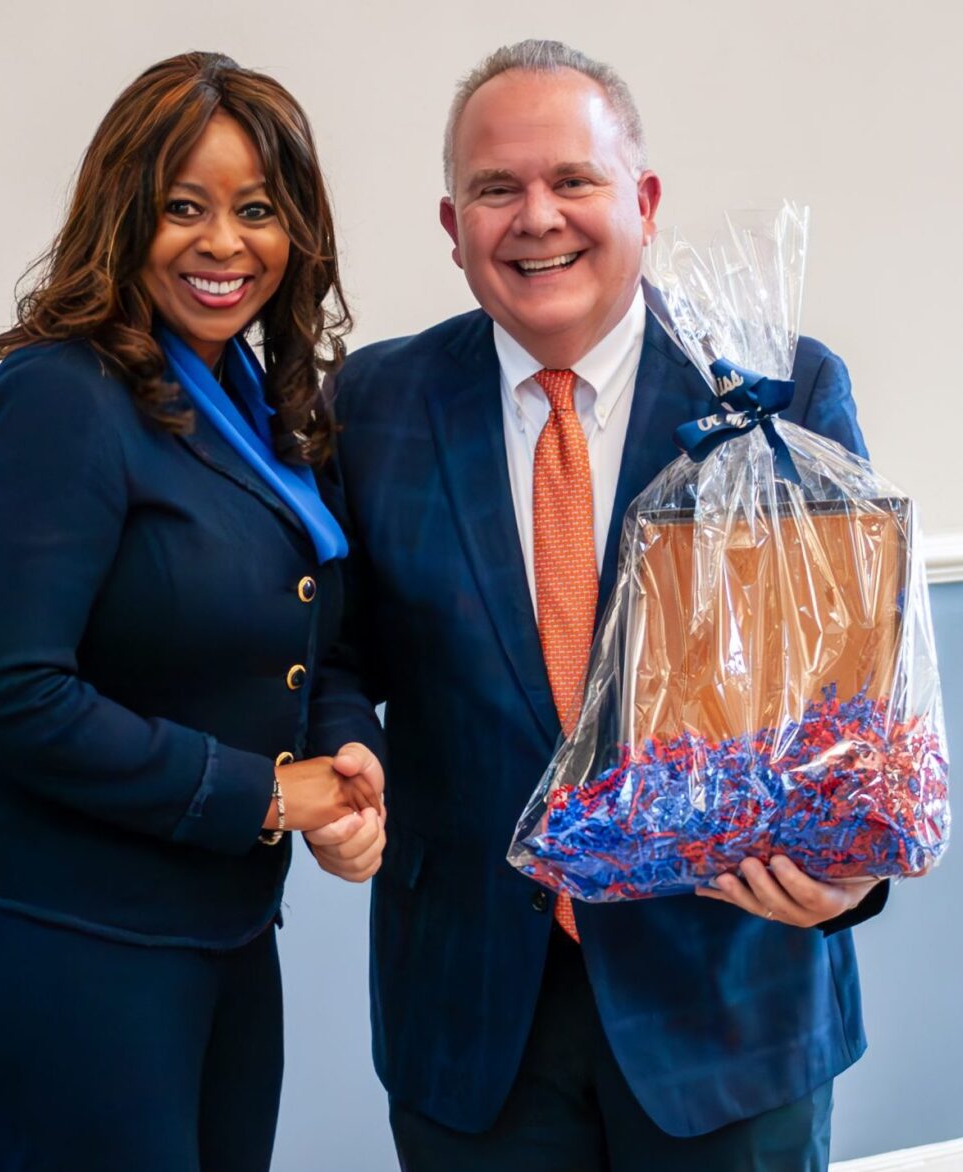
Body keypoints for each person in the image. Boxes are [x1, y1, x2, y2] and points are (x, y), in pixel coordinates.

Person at [311, 39, 888, 1172]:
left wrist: (854, 861)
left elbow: (854, 684)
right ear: (451, 223)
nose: (536, 218)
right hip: (470, 1011)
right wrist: (338, 743)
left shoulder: (778, 385)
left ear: (643, 200)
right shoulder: (372, 403)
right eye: (495, 188)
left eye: (572, 180)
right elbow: (335, 652)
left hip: (728, 999)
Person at [0, 52, 385, 1172]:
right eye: (184, 207)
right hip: (60, 935)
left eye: (256, 210)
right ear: (123, 216)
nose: (224, 243)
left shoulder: (265, 406)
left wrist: (345, 759)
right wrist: (265, 792)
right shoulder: (59, 397)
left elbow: (315, 631)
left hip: (215, 924)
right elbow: (2, 690)